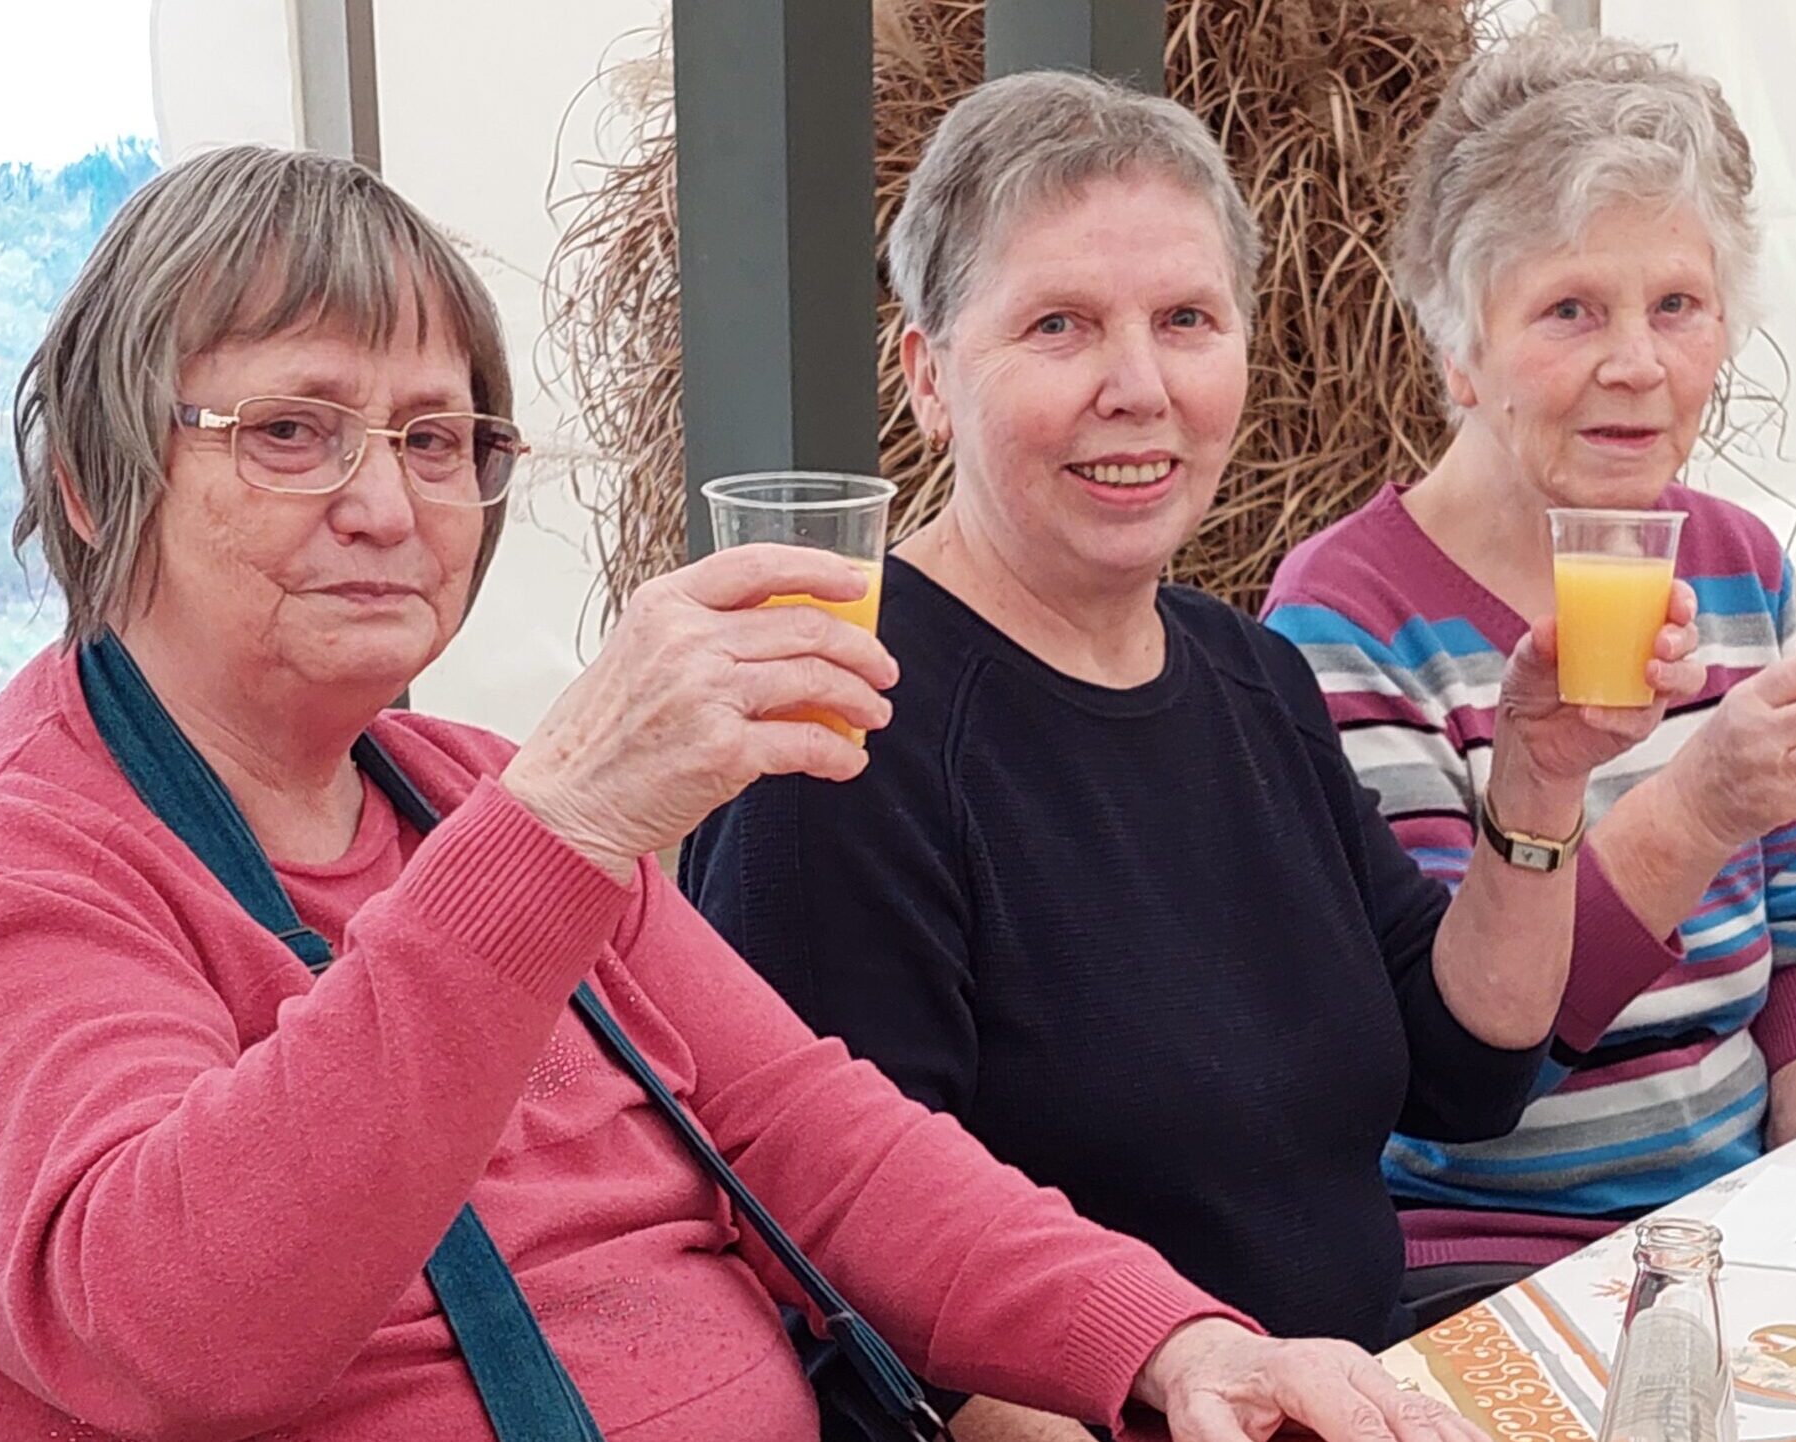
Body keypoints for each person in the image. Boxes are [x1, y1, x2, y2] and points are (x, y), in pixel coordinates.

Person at [0, 144, 1485, 1442]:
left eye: (438, 440)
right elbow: (179, 1325)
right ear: (83, 472)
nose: (387, 500)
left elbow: (821, 1132)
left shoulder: (452, 797)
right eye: (294, 429)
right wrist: (566, 822)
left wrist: (1169, 1339)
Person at [681, 71, 1704, 1438]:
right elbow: (841, 1286)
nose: (1138, 386)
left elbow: (1466, 1069)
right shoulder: (838, 736)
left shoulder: (1249, 674)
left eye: (1186, 321)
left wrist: (1538, 778)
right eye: (1059, 327)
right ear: (928, 375)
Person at [1261, 28, 1796, 1318]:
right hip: (1465, 1255)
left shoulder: (1739, 564)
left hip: (1727, 1221)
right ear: (1459, 348)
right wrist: (1703, 801)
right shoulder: (1344, 624)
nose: (1638, 364)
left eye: (1678, 304)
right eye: (1570, 310)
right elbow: (1461, 1080)